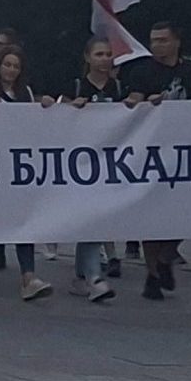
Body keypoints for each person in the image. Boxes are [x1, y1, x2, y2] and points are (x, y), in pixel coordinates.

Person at [124, 21, 191, 281]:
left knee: (187, 208)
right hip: (151, 152)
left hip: (185, 152)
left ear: (176, 42)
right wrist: (142, 102)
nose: (157, 45)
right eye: (153, 40)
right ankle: (153, 273)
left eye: (162, 40)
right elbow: (133, 102)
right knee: (150, 214)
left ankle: (167, 254)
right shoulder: (142, 71)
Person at [0, 46, 52, 299]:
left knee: (21, 220)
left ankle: (28, 276)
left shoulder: (24, 93)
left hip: (16, 165)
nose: (11, 70)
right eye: (7, 65)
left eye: (16, 66)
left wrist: (45, 105)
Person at [59, 37, 124, 302]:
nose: (104, 59)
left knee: (94, 220)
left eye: (108, 54)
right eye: (99, 54)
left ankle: (81, 277)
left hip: (109, 164)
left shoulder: (118, 87)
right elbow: (54, 112)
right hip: (79, 165)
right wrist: (68, 108)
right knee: (90, 220)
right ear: (87, 57)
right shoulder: (76, 86)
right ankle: (95, 277)